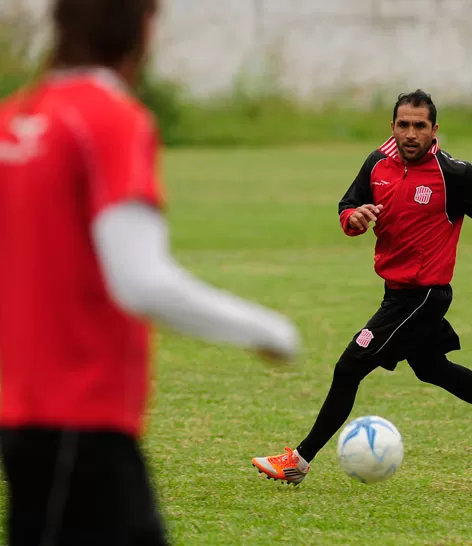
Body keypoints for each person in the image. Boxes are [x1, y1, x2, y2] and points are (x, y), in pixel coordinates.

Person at [0, 0, 301, 544]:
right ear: (141, 29)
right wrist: (263, 329)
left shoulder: (15, 119)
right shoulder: (111, 120)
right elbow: (139, 279)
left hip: (22, 416)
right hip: (82, 420)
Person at [252, 90, 472, 485]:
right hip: (396, 291)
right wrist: (355, 218)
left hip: (423, 296)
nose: (410, 133)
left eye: (419, 126)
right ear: (392, 126)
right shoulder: (377, 163)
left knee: (349, 366)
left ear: (434, 130)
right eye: (403, 124)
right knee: (432, 368)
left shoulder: (454, 175)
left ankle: (299, 461)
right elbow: (348, 206)